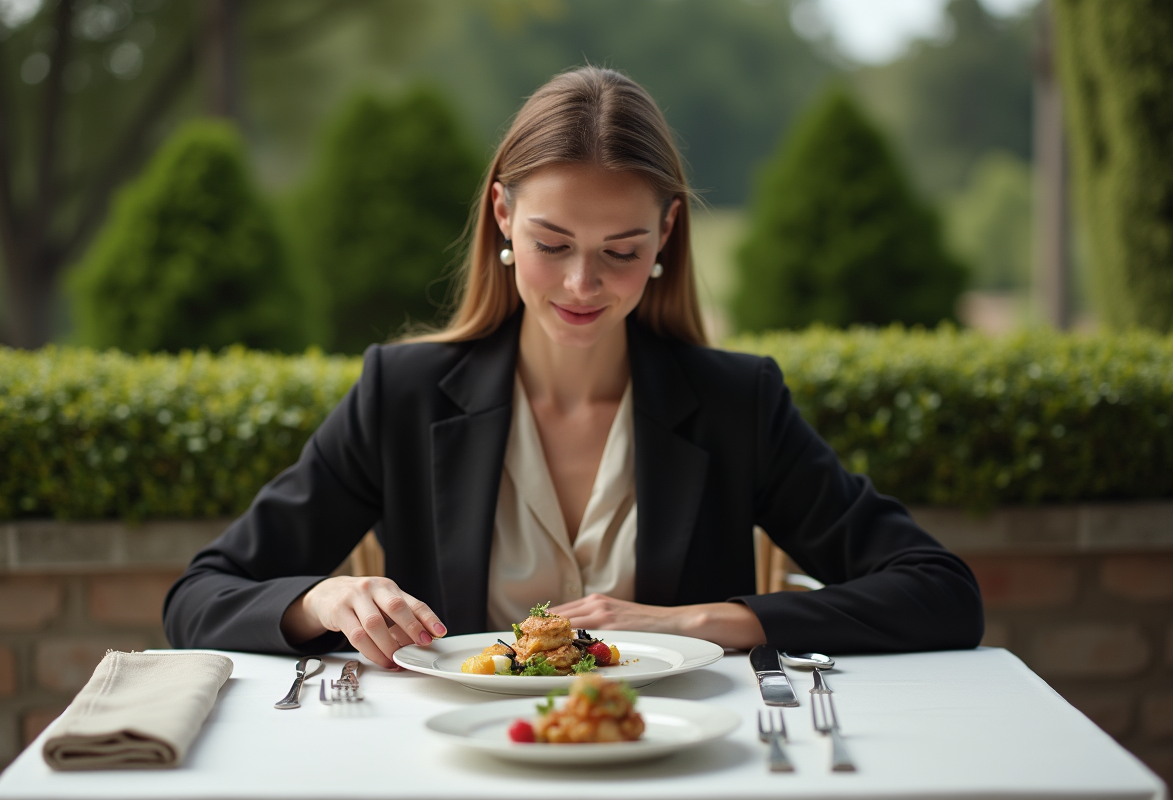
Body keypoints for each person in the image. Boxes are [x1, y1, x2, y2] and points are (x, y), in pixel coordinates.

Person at [163, 67, 983, 670]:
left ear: (665, 235)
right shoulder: (401, 395)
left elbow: (942, 594)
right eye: (553, 245)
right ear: (503, 217)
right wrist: (318, 602)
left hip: (682, 776)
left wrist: (705, 622)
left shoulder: (738, 402)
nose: (582, 284)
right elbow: (199, 597)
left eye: (620, 251)